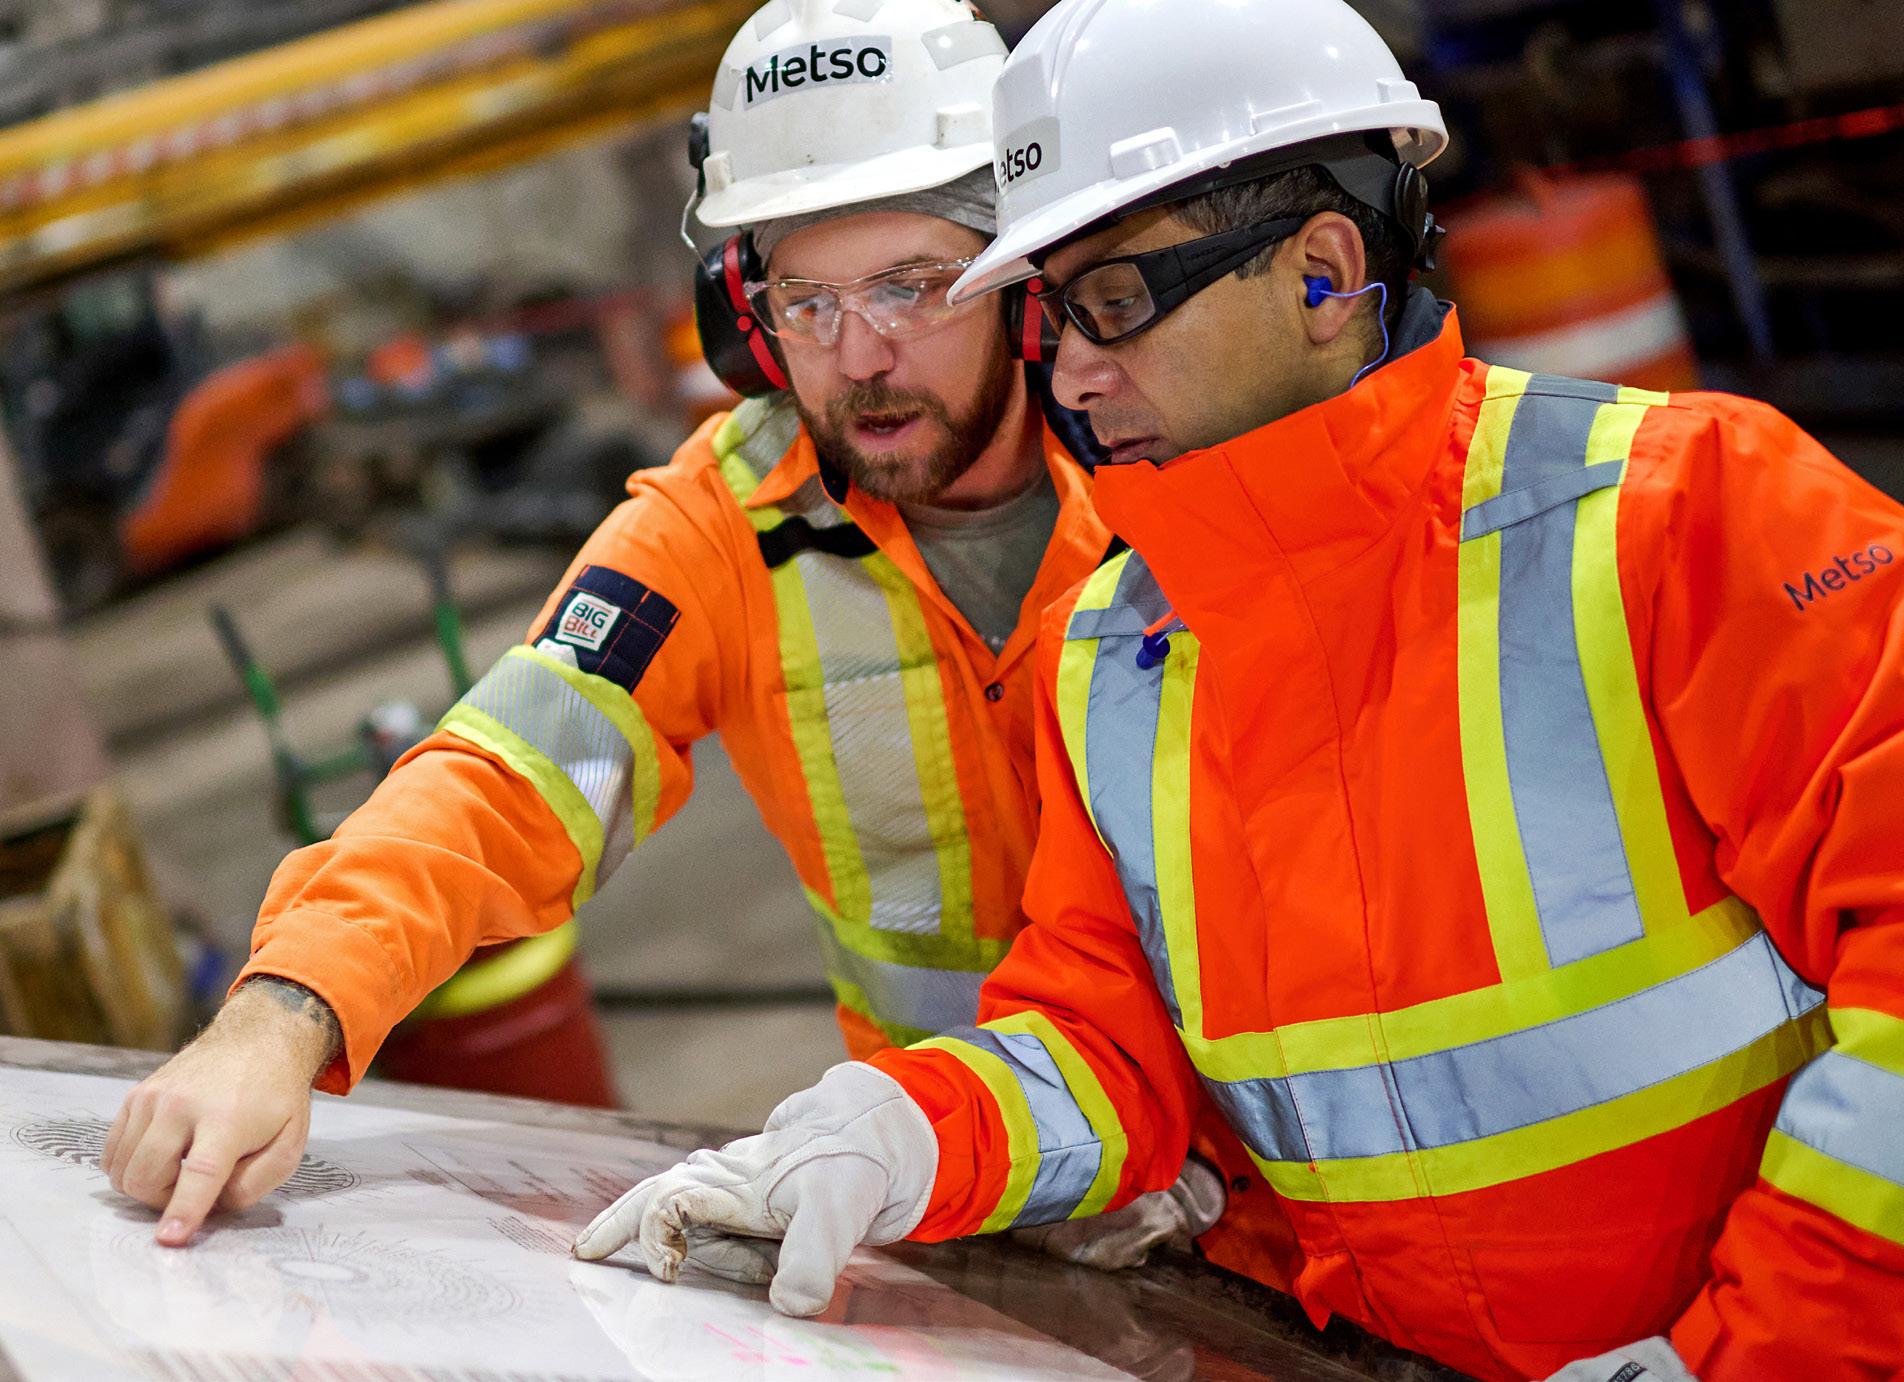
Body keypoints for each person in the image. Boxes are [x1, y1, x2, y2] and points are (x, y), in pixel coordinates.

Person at [569, 2, 1904, 1380]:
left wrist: (1746, 1363)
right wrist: (904, 1131)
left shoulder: (1690, 515)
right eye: (1049, 312)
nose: (1070, 376)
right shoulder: (1118, 649)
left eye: (1111, 301)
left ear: (1321, 270)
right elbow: (1106, 1043)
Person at [100, 0, 1276, 1283]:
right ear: (745, 315)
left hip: (1288, 1193)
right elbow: (508, 774)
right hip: (969, 1199)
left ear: (1021, 279)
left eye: (911, 286)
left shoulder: (1185, 441)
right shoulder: (726, 529)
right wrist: (284, 1011)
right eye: (806, 301)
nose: (860, 357)